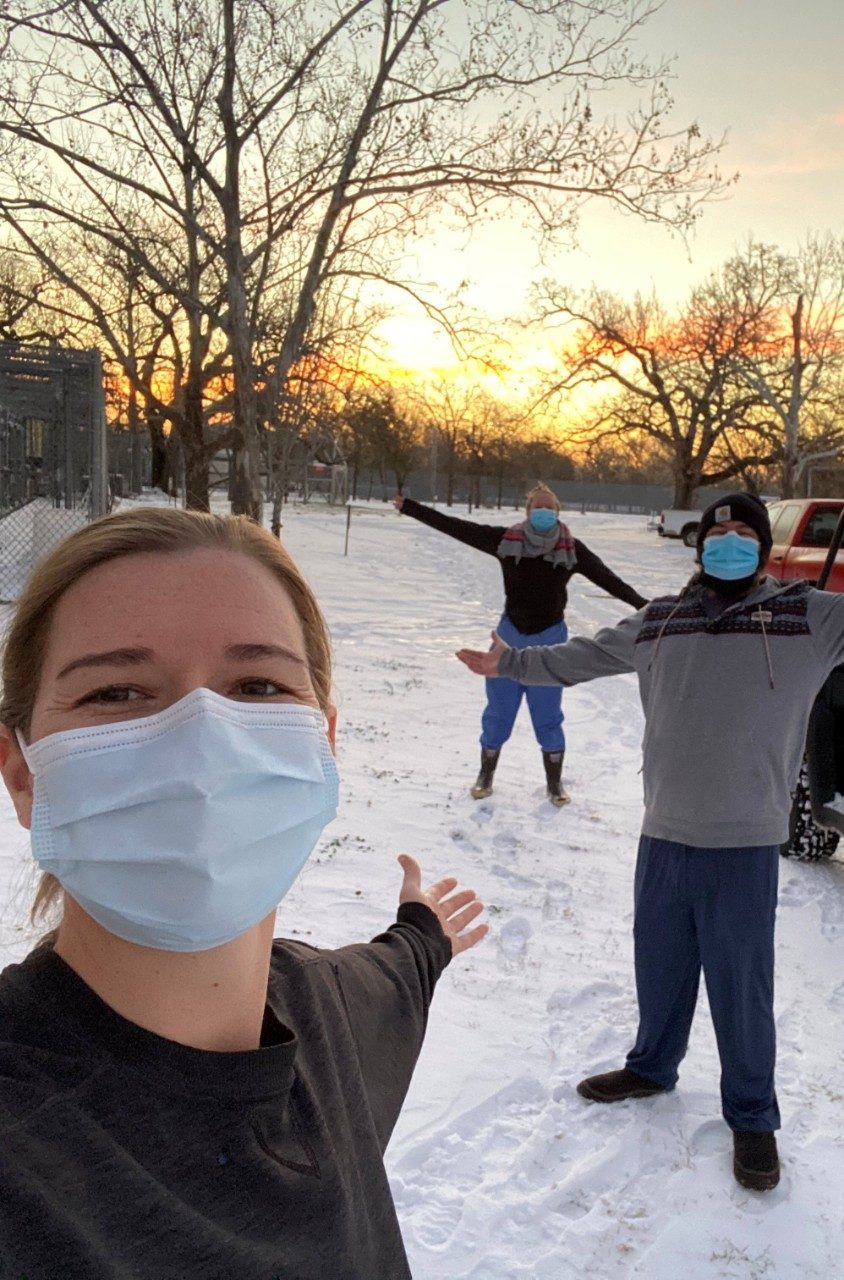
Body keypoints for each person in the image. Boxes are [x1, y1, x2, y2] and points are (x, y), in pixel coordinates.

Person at [0, 507, 488, 1279]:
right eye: (116, 693)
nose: (202, 743)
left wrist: (427, 931)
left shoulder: (336, 1010)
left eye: (258, 686)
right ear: (23, 773)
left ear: (324, 745)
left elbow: (400, 970)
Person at [456, 492, 844, 1192]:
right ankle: (652, 1066)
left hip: (744, 844)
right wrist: (511, 665)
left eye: (744, 532)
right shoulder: (661, 618)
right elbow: (582, 656)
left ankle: (752, 1115)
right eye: (718, 532)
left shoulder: (809, 616)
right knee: (660, 963)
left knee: (742, 986)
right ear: (700, 546)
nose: (729, 541)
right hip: (663, 830)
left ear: (763, 546)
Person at [394, 483, 646, 804]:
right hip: (509, 636)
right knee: (499, 713)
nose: (544, 512)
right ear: (527, 512)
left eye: (550, 507)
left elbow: (609, 580)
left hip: (550, 642)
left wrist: (647, 607)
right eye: (538, 507)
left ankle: (554, 784)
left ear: (558, 512)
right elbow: (457, 527)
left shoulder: (571, 549)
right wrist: (411, 508)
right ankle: (485, 774)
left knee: (548, 716)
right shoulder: (506, 541)